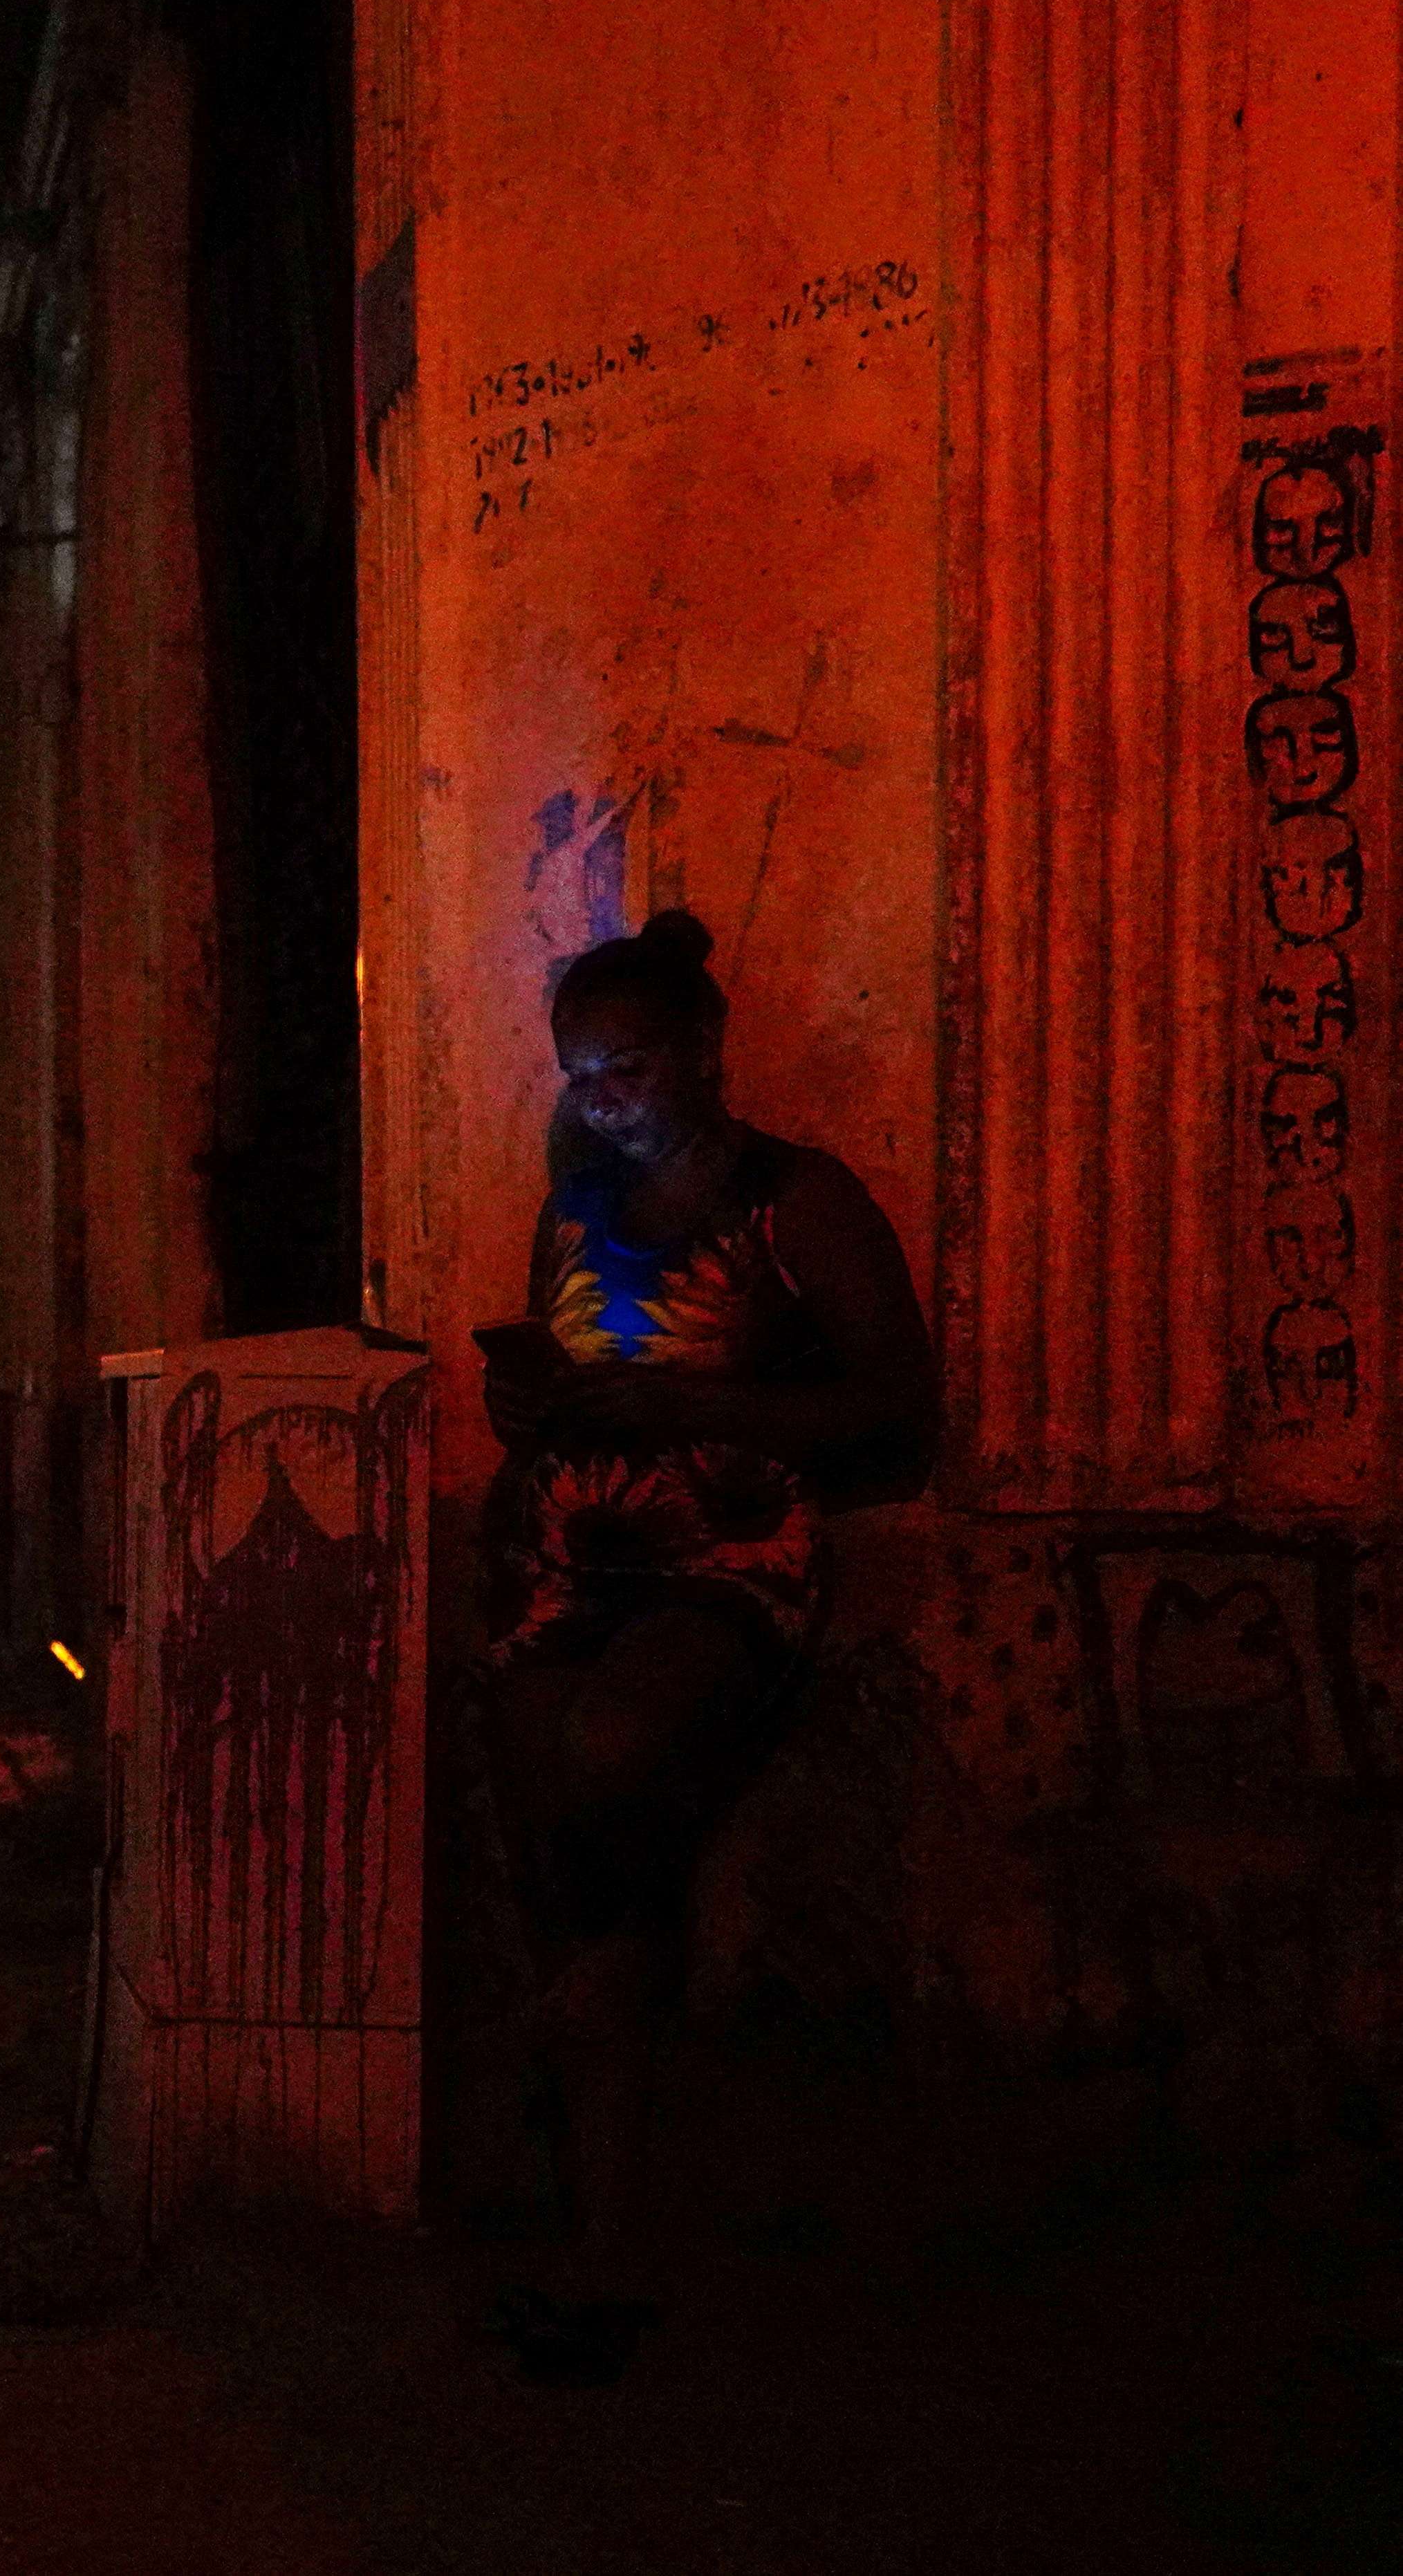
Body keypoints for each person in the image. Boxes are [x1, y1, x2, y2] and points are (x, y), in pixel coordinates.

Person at [474, 909, 933, 2376]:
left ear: (704, 1052)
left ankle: (604, 2022)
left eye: (628, 1065)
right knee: (549, 1819)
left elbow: (893, 1400)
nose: (603, 1096)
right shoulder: (575, 1204)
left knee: (617, 1744)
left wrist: (695, 1414)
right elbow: (582, 1364)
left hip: (731, 1552)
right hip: (569, 1552)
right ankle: (600, 2244)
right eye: (580, 1072)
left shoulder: (799, 1198)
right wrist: (539, 1409)